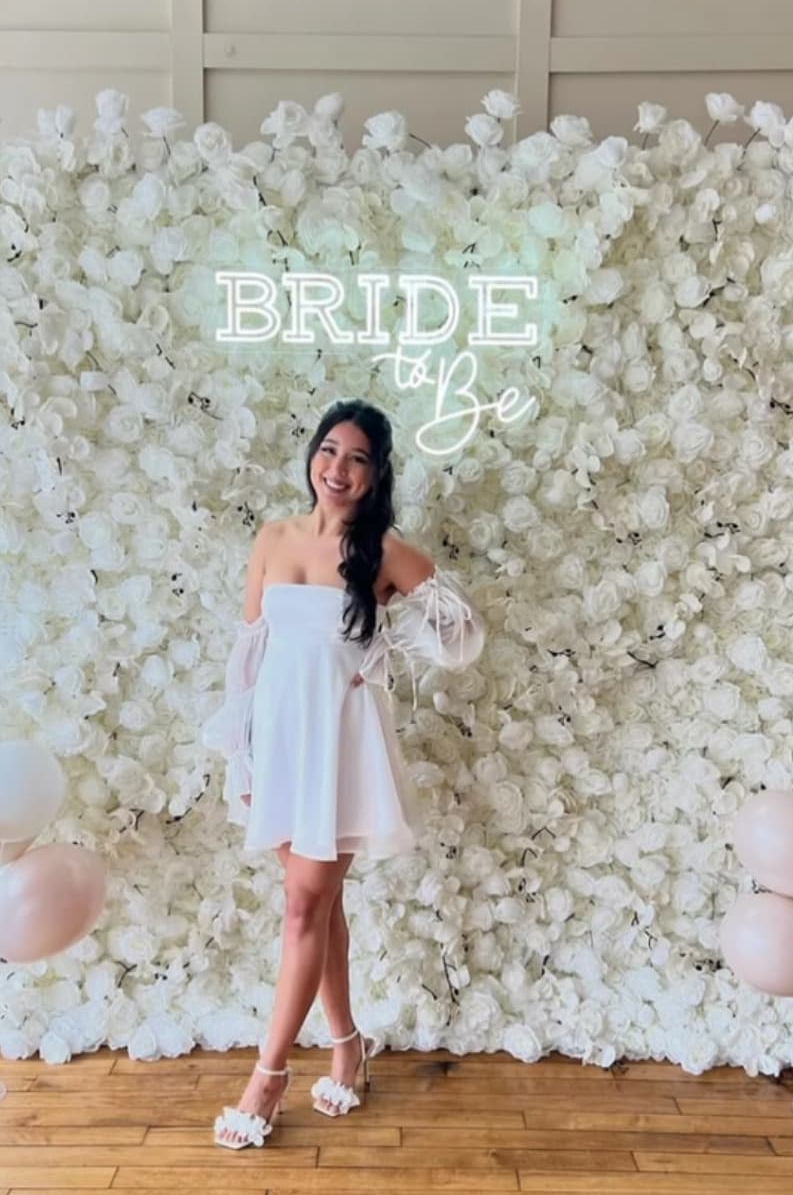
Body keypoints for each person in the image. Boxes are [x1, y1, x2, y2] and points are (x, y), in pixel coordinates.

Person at [202, 398, 485, 1150]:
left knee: (303, 907)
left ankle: (266, 1079)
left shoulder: (382, 551)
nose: (338, 468)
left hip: (340, 745)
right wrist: (243, 754)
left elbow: (462, 632)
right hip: (279, 743)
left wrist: (387, 654)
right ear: (313, 456)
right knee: (318, 907)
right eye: (330, 450)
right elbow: (249, 656)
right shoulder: (274, 537)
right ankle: (347, 1046)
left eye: (358, 458)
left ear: (377, 473)